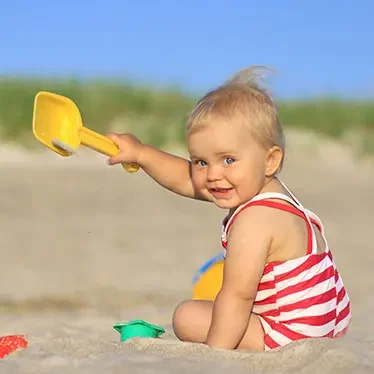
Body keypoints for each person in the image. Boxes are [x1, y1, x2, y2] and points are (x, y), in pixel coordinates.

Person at [106, 66, 351, 351]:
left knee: (187, 317)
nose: (212, 174)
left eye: (228, 160)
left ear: (270, 160)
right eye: (201, 161)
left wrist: (216, 355)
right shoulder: (269, 191)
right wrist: (141, 154)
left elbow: (238, 297)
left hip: (290, 337)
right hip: (330, 323)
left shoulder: (255, 220)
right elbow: (186, 179)